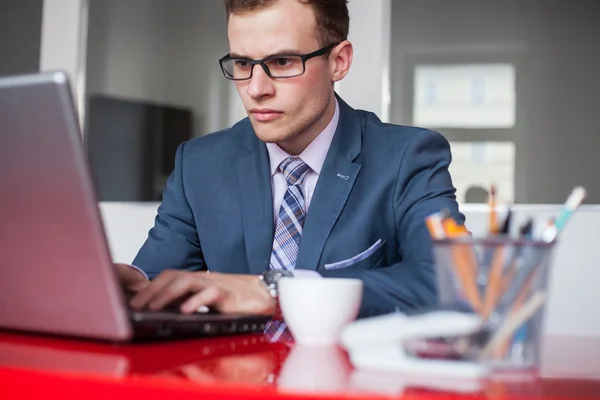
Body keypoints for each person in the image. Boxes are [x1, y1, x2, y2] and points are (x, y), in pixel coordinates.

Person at [119, 0, 464, 318]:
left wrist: (277, 291)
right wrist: (126, 283)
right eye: (242, 63)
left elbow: (452, 281)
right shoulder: (199, 164)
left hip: (347, 381)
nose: (256, 89)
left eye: (281, 62)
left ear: (338, 62)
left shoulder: (408, 157)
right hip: (234, 380)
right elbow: (155, 283)